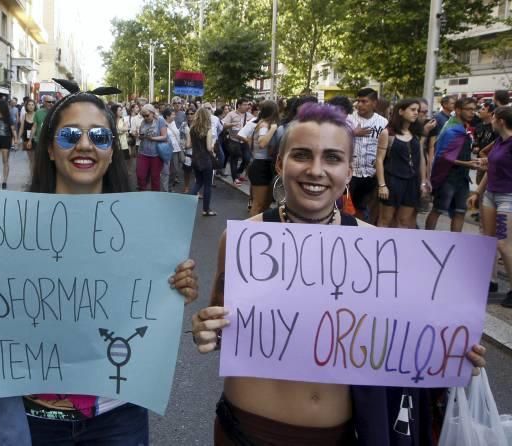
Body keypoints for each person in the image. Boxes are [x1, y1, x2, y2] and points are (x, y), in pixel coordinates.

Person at [0, 80, 200, 445]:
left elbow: (152, 308)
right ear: (49, 148)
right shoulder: (0, 227)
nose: (85, 145)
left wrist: (177, 289)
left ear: (112, 151)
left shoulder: (147, 232)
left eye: (100, 137)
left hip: (116, 418)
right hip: (30, 422)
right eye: (70, 135)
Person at [190, 103, 488, 446]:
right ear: (280, 163)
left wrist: (456, 351)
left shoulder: (378, 248)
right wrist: (204, 331)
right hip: (247, 431)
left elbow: (403, 343)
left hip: (340, 435)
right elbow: (221, 334)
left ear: (349, 171)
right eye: (301, 155)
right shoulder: (242, 239)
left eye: (332, 158)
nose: (316, 170)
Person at [468, 106, 512, 308]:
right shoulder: (500, 141)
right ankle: (490, 281)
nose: (491, 120)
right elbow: (492, 168)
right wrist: (477, 191)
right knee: (487, 239)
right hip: (491, 194)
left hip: (507, 197)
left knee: (503, 244)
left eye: (494, 117)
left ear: (501, 121)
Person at [426, 97, 481, 233]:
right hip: (447, 177)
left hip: (462, 178)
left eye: (474, 110)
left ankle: (456, 242)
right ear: (457, 110)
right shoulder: (452, 129)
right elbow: (442, 156)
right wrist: (467, 163)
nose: (472, 113)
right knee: (438, 210)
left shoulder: (463, 128)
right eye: (469, 109)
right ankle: (426, 237)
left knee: (460, 211)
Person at [375, 99, 428, 228]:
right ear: (401, 111)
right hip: (392, 180)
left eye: (418, 110)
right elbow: (379, 159)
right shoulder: (388, 133)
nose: (416, 113)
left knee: (405, 220)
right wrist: (382, 185)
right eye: (413, 109)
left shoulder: (416, 133)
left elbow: (420, 158)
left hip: (412, 182)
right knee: (385, 219)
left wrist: (423, 182)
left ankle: (400, 246)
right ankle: (378, 246)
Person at [348, 88, 388, 222]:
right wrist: (351, 133)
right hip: (349, 174)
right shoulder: (348, 119)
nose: (359, 104)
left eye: (364, 101)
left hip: (370, 174)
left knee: (363, 209)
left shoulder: (383, 123)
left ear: (374, 103)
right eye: (358, 101)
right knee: (346, 208)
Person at [240, 100, 280, 217]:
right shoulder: (264, 125)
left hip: (264, 165)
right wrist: (272, 129)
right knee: (258, 204)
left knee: (265, 204)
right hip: (260, 166)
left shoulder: (263, 123)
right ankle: (251, 230)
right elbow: (262, 143)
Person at [189, 107, 217, 216]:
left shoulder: (192, 129)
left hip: (195, 158)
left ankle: (186, 204)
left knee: (198, 182)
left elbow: (189, 144)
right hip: (205, 159)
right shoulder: (208, 130)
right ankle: (206, 209)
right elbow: (209, 148)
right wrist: (213, 149)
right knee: (207, 185)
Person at [136, 104, 168, 191]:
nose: (145, 117)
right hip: (143, 152)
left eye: (147, 115)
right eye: (143, 116)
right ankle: (142, 194)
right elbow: (140, 136)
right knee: (140, 175)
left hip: (156, 154)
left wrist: (152, 138)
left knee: (155, 178)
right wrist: (140, 136)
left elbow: (165, 136)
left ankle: (155, 197)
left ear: (153, 113)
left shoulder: (160, 121)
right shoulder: (143, 122)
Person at [164, 107, 184, 192]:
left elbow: (177, 134)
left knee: (175, 170)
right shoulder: (162, 124)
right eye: (172, 114)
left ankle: (169, 186)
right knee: (167, 171)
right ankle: (166, 188)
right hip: (167, 150)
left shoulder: (173, 123)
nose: (174, 116)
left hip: (177, 149)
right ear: (167, 116)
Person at [18, 98, 37, 179]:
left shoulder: (37, 114)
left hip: (36, 139)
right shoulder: (24, 115)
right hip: (26, 139)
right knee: (31, 160)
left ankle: (35, 177)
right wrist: (18, 139)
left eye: (32, 105)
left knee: (36, 159)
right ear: (26, 106)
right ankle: (32, 177)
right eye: (29, 105)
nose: (31, 106)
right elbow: (21, 128)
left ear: (35, 106)